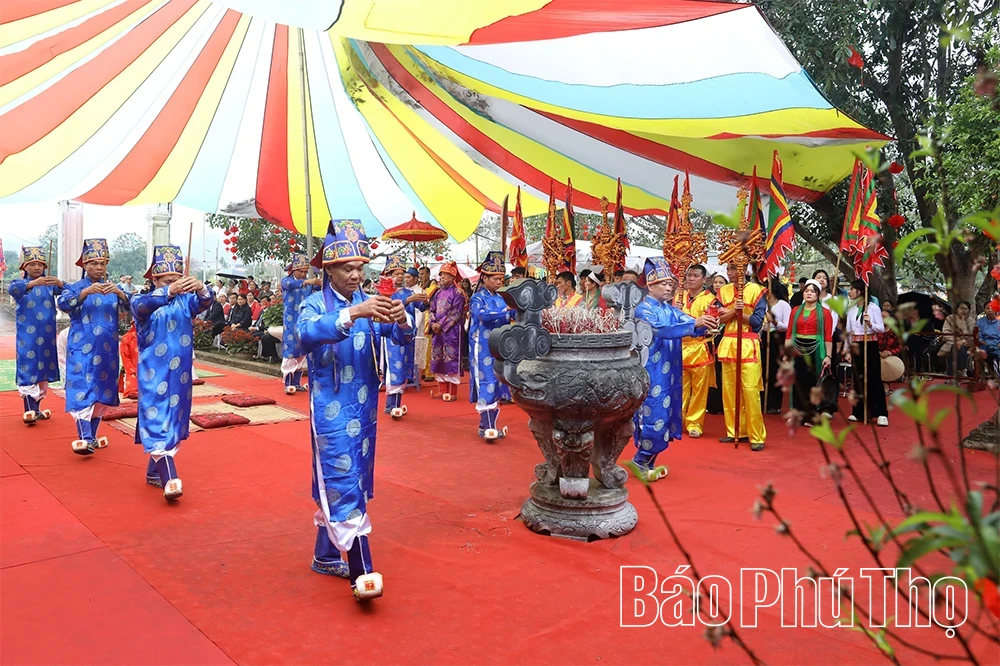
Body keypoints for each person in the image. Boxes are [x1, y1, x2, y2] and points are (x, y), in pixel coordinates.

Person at [297, 219, 413, 602]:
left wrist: (401, 319)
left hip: (364, 412)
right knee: (341, 478)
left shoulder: (368, 300)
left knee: (354, 480)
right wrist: (354, 313)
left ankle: (326, 555)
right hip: (330, 411)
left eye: (360, 268)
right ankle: (362, 572)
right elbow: (305, 334)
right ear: (329, 270)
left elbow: (399, 337)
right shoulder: (315, 303)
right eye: (348, 268)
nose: (355, 275)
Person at [131, 246, 213, 500]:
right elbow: (143, 307)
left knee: (175, 420)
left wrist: (200, 288)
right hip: (153, 373)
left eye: (177, 280)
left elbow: (205, 302)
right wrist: (168, 291)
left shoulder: (186, 302)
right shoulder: (141, 301)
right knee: (157, 418)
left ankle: (153, 472)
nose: (175, 285)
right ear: (154, 280)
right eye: (167, 281)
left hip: (181, 376)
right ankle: (170, 478)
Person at [632, 259, 714, 480]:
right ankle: (640, 461)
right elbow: (661, 330)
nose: (669, 288)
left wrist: (705, 322)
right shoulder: (643, 310)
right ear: (650, 286)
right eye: (664, 284)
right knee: (654, 414)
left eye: (671, 284)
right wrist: (693, 324)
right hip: (652, 371)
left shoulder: (669, 309)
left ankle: (648, 463)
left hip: (670, 373)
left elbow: (689, 322)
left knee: (667, 416)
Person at [57, 239, 128, 455]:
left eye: (102, 264)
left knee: (102, 392)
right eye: (94, 264)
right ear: (84, 265)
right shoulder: (76, 287)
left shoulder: (113, 288)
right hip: (82, 349)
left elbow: (135, 307)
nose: (98, 268)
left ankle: (91, 437)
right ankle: (85, 437)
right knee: (82, 389)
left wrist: (121, 294)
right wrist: (85, 293)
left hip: (107, 350)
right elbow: (63, 304)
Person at [715, 263, 768, 450]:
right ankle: (735, 431)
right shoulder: (723, 291)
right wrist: (734, 311)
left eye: (733, 268)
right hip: (729, 343)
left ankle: (756, 436)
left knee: (751, 391)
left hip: (748, 344)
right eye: (728, 269)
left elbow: (757, 321)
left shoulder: (757, 291)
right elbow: (717, 319)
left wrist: (737, 313)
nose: (729, 273)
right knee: (729, 391)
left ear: (744, 269)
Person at [8, 246, 63, 425]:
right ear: (25, 267)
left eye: (40, 264)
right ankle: (29, 410)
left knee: (44, 371)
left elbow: (69, 292)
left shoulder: (49, 286)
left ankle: (36, 409)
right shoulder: (20, 285)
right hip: (27, 337)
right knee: (28, 368)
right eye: (32, 264)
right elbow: (13, 289)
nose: (37, 267)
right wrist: (33, 284)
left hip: (47, 336)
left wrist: (60, 283)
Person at [468, 251, 514, 442]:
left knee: (496, 381)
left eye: (501, 279)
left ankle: (485, 426)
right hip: (482, 345)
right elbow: (482, 316)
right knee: (486, 380)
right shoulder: (477, 298)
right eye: (495, 278)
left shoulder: (502, 297)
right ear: (484, 278)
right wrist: (506, 312)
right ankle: (489, 427)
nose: (498, 282)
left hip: (498, 345)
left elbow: (512, 314)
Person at [676, 264, 717, 438]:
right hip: (680, 347)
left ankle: (694, 423)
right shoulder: (679, 297)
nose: (691, 279)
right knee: (680, 388)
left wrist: (686, 319)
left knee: (699, 390)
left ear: (704, 279)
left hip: (699, 347)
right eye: (689, 275)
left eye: (695, 276)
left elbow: (712, 325)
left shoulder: (711, 299)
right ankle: (677, 421)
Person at [381, 255, 424, 419]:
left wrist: (426, 300)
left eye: (401, 273)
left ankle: (396, 404)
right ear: (388, 275)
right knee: (395, 366)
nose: (400, 276)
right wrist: (410, 299)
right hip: (391, 335)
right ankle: (391, 404)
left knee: (404, 366)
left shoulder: (409, 291)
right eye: (396, 274)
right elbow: (391, 307)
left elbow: (421, 307)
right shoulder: (386, 293)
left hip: (407, 335)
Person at [785, 280, 834, 425]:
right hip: (797, 348)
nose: (809, 293)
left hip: (816, 349)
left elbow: (828, 336)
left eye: (812, 291)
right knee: (797, 382)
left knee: (813, 382)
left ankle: (812, 415)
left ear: (818, 294)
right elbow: (789, 333)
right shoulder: (795, 311)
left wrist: (828, 355)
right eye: (806, 291)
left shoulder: (825, 313)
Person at [844, 280, 888, 426]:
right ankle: (859, 411)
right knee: (858, 378)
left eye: (852, 289)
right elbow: (848, 330)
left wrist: (870, 323)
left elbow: (881, 329)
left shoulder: (873, 308)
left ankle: (881, 413)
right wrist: (847, 349)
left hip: (870, 344)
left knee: (874, 377)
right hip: (856, 344)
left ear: (861, 291)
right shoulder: (851, 309)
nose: (849, 292)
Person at [280, 254, 321, 394]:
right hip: (291, 321)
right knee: (290, 350)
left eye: (305, 272)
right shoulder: (286, 281)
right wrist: (309, 281)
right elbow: (292, 285)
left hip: (305, 320)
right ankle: (288, 382)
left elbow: (320, 291)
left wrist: (321, 283)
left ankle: (296, 382)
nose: (303, 274)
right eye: (301, 271)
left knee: (303, 350)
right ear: (294, 270)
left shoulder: (309, 284)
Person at [428, 262, 466, 401]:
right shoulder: (437, 293)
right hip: (438, 331)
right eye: (441, 274)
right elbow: (431, 309)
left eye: (445, 274)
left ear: (452, 276)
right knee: (438, 358)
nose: (442, 277)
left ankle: (452, 392)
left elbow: (456, 313)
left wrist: (441, 325)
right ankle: (442, 390)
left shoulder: (458, 293)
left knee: (451, 359)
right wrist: (433, 323)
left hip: (452, 331)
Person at [762, 281, 791, 415]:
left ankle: (774, 404)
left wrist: (774, 321)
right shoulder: (762, 304)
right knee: (762, 370)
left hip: (778, 338)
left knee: (775, 370)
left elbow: (788, 325)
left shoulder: (783, 305)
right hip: (763, 337)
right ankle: (762, 401)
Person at [938, 300, 974, 377]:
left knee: (957, 348)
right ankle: (961, 370)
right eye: (961, 308)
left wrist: (962, 321)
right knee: (955, 347)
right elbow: (945, 332)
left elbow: (967, 335)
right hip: (950, 342)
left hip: (965, 344)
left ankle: (951, 373)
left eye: (965, 309)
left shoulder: (972, 321)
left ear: (969, 310)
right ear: (957, 309)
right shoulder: (950, 318)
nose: (963, 311)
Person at [976, 304, 1000, 377]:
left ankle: (995, 374)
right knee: (981, 353)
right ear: (984, 310)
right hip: (985, 344)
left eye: (992, 308)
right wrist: (986, 344)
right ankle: (980, 375)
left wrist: (998, 345)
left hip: (998, 344)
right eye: (987, 308)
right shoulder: (980, 322)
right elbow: (979, 337)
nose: (990, 310)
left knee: (995, 354)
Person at [119, 321, 139, 400]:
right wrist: (132, 371)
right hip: (132, 371)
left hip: (149, 371)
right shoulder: (127, 338)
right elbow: (125, 357)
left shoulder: (151, 337)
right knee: (133, 390)